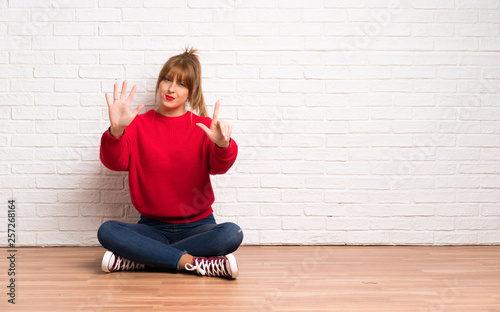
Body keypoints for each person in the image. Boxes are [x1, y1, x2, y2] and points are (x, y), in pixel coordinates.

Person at [96, 47, 243, 279]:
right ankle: (193, 262)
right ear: (160, 82)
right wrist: (116, 131)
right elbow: (114, 162)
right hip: (152, 228)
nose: (172, 89)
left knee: (232, 233)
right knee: (108, 231)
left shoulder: (204, 126)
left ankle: (141, 259)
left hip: (199, 227)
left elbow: (219, 167)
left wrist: (223, 145)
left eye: (182, 84)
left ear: (191, 91)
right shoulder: (136, 124)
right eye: (167, 79)